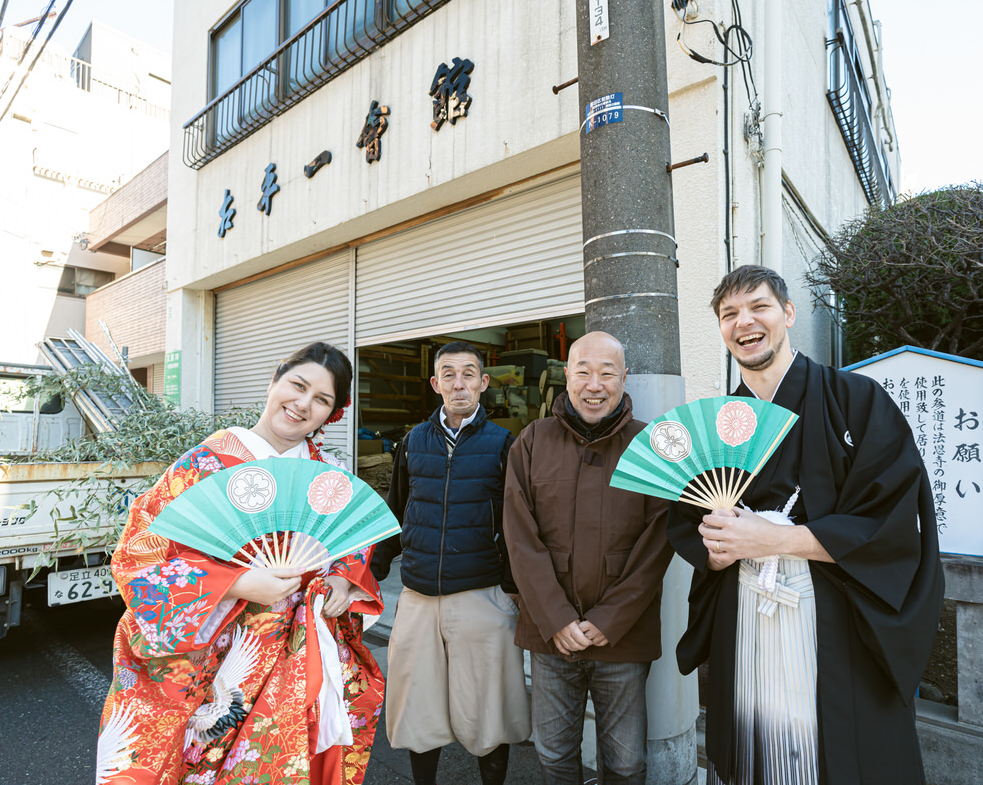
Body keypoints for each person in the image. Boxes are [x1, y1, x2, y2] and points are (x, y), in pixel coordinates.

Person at [667, 265, 945, 785]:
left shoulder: (856, 401)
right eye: (730, 314)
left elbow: (893, 518)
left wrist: (779, 539)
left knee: (836, 754)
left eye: (759, 307)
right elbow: (687, 518)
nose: (744, 323)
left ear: (788, 314)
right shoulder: (722, 422)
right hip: (746, 612)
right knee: (756, 746)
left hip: (835, 616)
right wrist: (716, 547)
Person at [96, 342, 385, 785]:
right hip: (215, 653)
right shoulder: (203, 464)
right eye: (298, 385)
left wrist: (345, 584)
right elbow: (140, 552)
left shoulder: (328, 474)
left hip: (295, 653)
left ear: (333, 414)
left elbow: (353, 547)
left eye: (322, 400)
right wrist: (236, 582)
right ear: (275, 379)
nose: (303, 404)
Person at [503, 331, 672, 785]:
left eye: (607, 372)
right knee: (554, 755)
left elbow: (658, 544)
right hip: (550, 633)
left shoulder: (650, 445)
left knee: (626, 761)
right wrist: (556, 618)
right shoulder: (533, 441)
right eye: (583, 371)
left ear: (624, 377)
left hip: (622, 636)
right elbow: (520, 536)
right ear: (566, 376)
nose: (594, 384)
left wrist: (610, 619)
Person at [370, 340, 529, 785]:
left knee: (486, 711)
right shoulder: (413, 441)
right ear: (435, 383)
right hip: (418, 596)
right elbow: (396, 511)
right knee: (419, 709)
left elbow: (517, 524)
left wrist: (513, 585)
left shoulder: (504, 444)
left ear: (483, 382)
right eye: (449, 374)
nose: (459, 383)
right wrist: (370, 572)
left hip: (481, 595)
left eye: (468, 373)